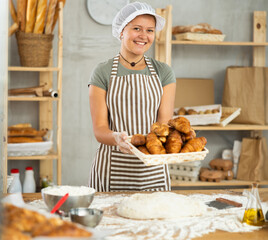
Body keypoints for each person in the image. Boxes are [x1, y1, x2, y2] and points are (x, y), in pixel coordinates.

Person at [88, 2, 176, 192]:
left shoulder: (163, 72)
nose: (144, 35)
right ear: (121, 31)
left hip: (153, 168)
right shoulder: (102, 72)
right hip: (112, 169)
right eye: (137, 28)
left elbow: (163, 126)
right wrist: (116, 138)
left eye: (150, 30)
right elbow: (99, 129)